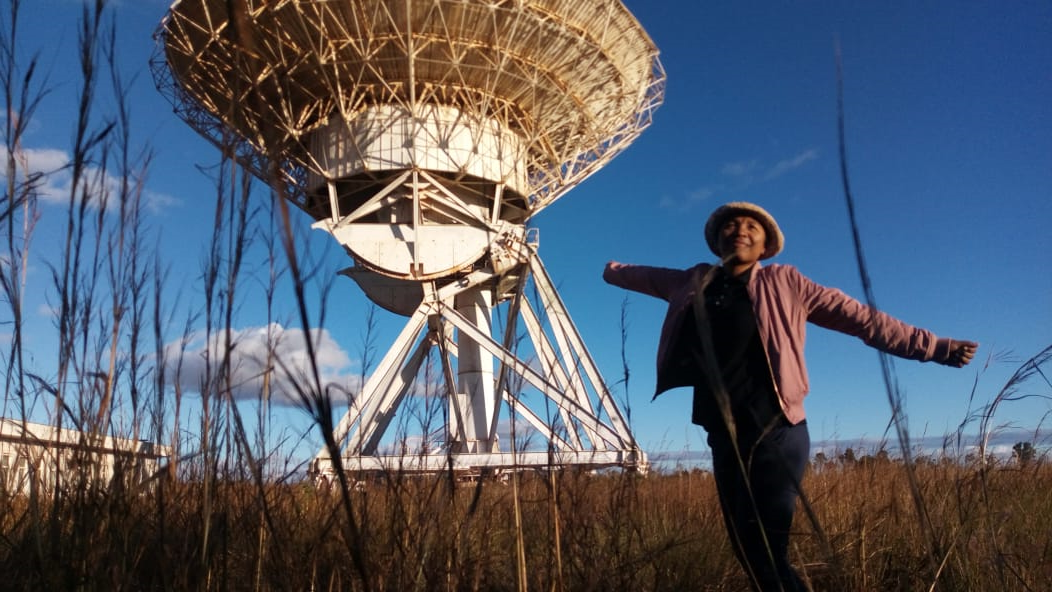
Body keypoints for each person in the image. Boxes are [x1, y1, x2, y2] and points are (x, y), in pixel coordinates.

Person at [602, 201, 977, 591]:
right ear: (716, 240)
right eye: (730, 225)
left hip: (778, 431)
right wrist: (609, 270)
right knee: (749, 551)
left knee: (768, 553)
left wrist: (935, 347)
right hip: (723, 435)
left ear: (765, 245)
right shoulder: (691, 281)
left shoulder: (787, 283)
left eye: (751, 226)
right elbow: (636, 275)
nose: (740, 230)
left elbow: (862, 319)